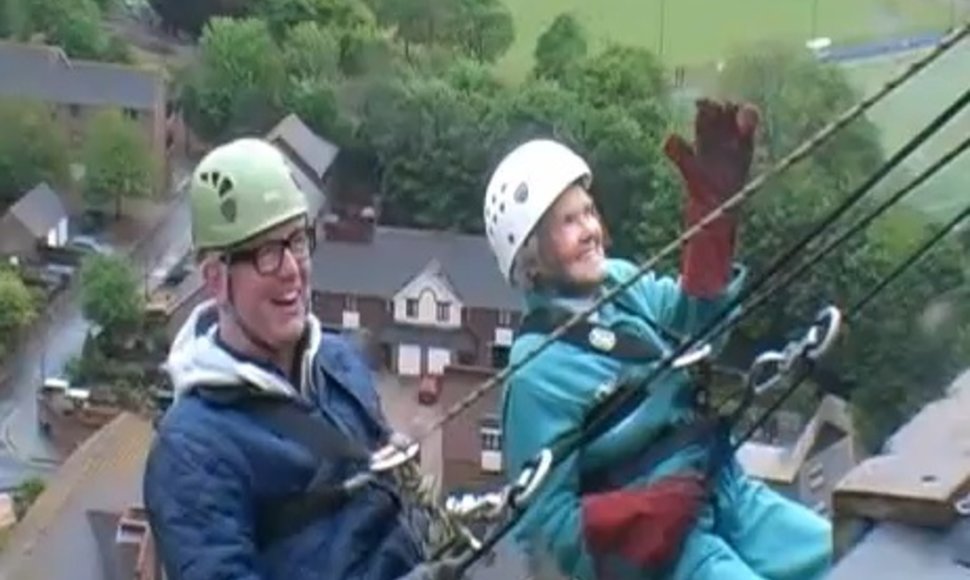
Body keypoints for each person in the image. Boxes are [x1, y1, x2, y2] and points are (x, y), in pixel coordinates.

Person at [483, 100, 832, 580]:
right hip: (665, 550)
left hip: (721, 487)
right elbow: (544, 527)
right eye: (567, 222)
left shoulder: (621, 286)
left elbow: (695, 321)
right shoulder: (536, 372)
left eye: (589, 212)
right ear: (531, 259)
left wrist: (712, 219)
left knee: (841, 552)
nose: (590, 230)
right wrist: (639, 521)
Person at [143, 137, 458, 580]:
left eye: (297, 241)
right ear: (216, 278)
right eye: (268, 253)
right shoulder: (192, 451)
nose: (292, 268)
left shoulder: (341, 363)